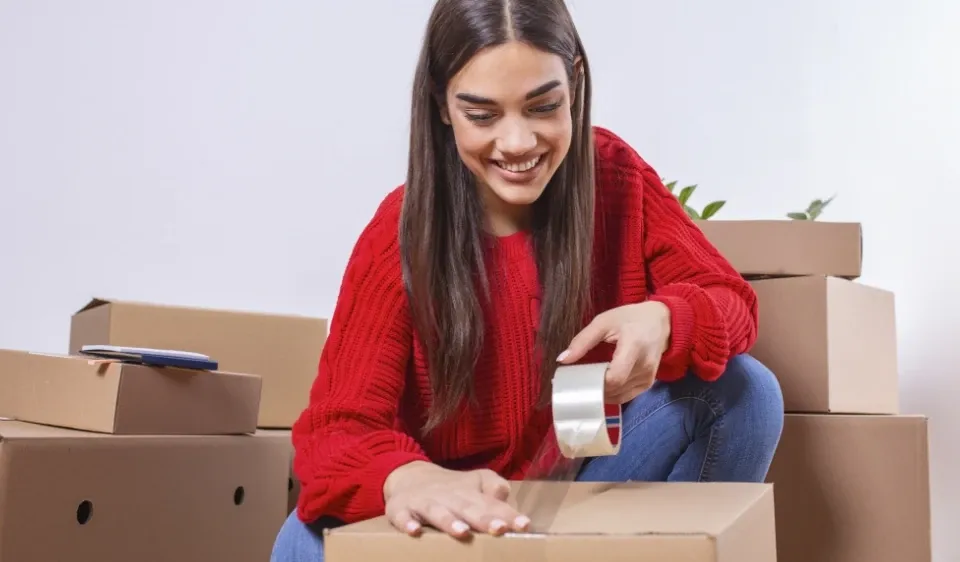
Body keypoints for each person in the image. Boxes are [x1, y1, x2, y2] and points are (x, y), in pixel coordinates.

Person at [271, 0, 784, 559]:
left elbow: (729, 300)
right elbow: (335, 431)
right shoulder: (399, 236)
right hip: (455, 518)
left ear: (575, 85)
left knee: (745, 391)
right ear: (442, 103)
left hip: (579, 491)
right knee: (301, 539)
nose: (517, 143)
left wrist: (666, 318)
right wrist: (407, 478)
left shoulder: (615, 177)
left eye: (543, 107)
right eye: (482, 115)